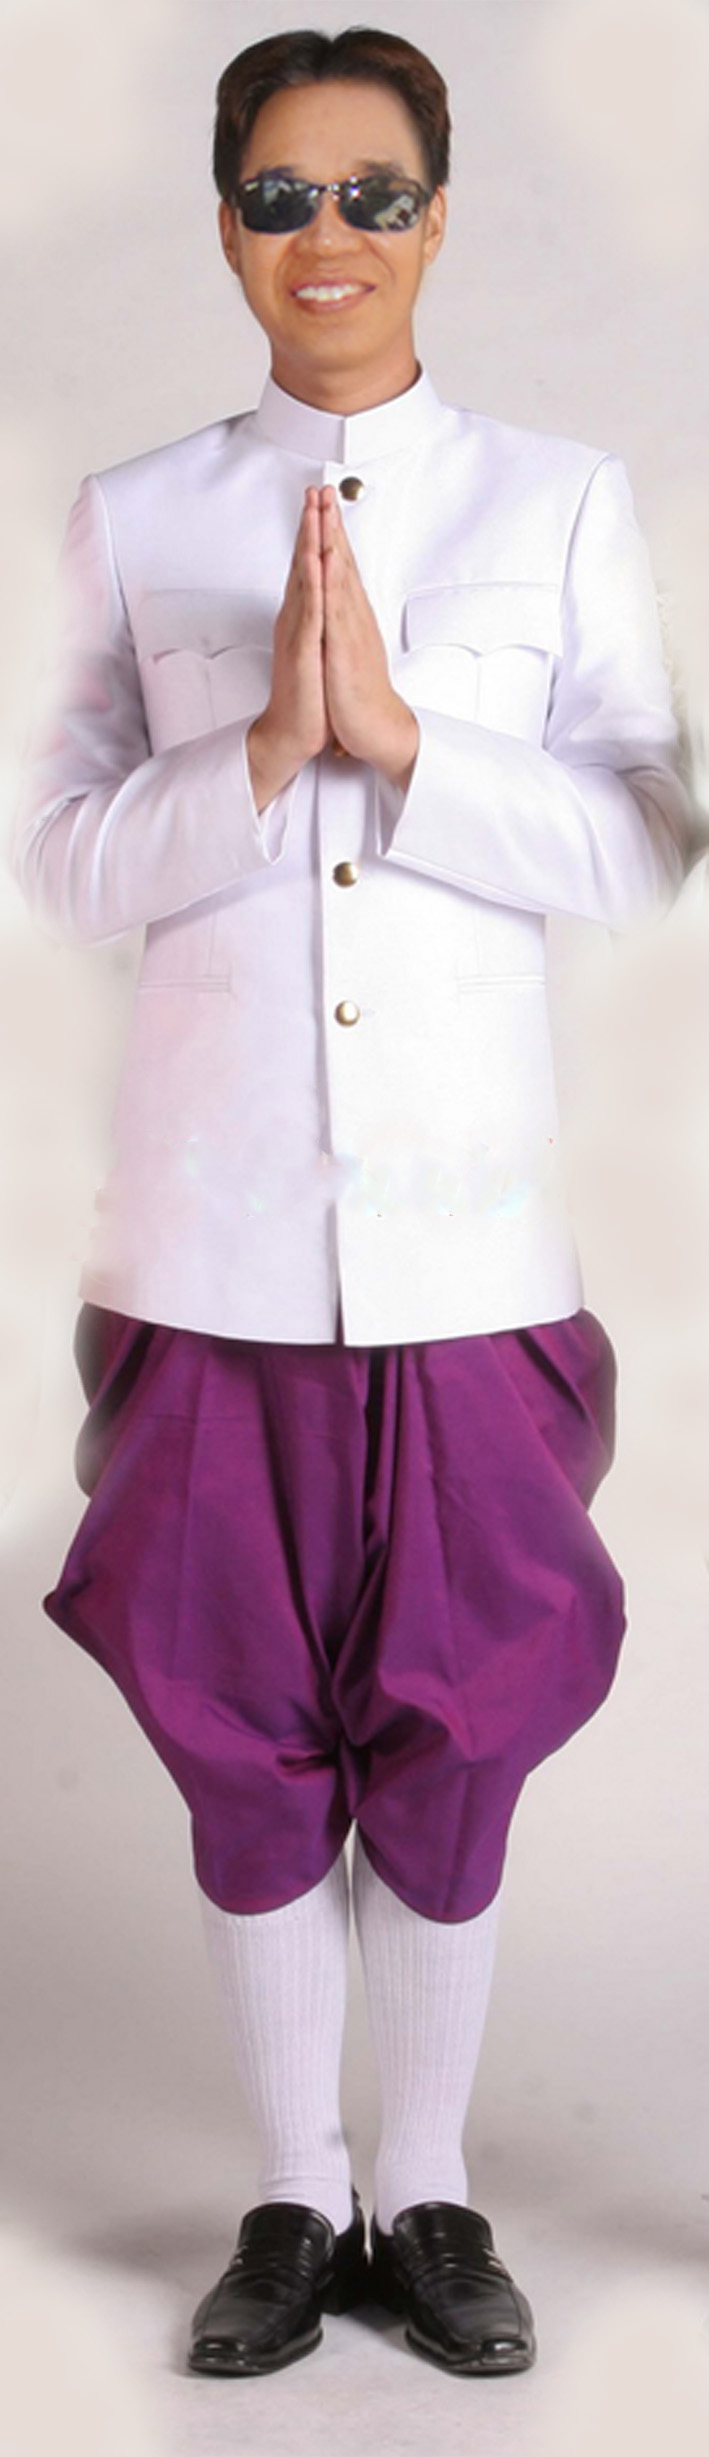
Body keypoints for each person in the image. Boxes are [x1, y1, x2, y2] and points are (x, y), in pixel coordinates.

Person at [12, 26, 686, 2385]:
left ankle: (434, 2184)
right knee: (236, 1724)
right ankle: (297, 2191)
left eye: (372, 194)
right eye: (282, 195)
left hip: (468, 1244)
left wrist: (403, 740)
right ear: (225, 224)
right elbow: (59, 860)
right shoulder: (132, 518)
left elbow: (643, 840)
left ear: (438, 217)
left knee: (459, 1720)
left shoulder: (559, 504)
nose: (328, 237)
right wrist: (264, 748)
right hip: (207, 1246)